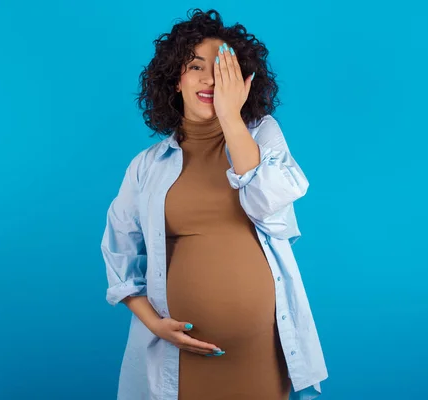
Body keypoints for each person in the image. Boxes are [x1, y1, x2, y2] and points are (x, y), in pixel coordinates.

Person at [101, 8, 328, 400]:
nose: (209, 79)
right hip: (177, 355)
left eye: (223, 68)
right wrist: (154, 324)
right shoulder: (146, 166)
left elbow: (270, 202)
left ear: (241, 80)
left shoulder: (263, 136)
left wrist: (229, 115)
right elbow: (120, 252)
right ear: (174, 80)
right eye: (195, 67)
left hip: (260, 352)